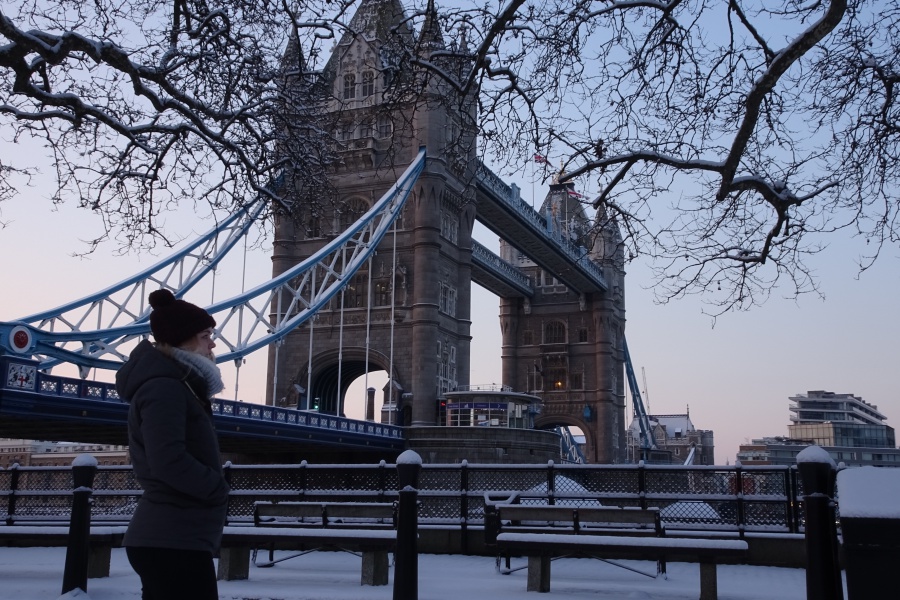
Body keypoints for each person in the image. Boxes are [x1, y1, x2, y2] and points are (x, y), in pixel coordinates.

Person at [116, 289, 230, 600]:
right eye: (205, 335)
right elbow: (167, 460)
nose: (213, 343)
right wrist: (215, 487)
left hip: (174, 537)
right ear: (182, 340)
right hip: (170, 539)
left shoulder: (179, 385)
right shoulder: (165, 388)